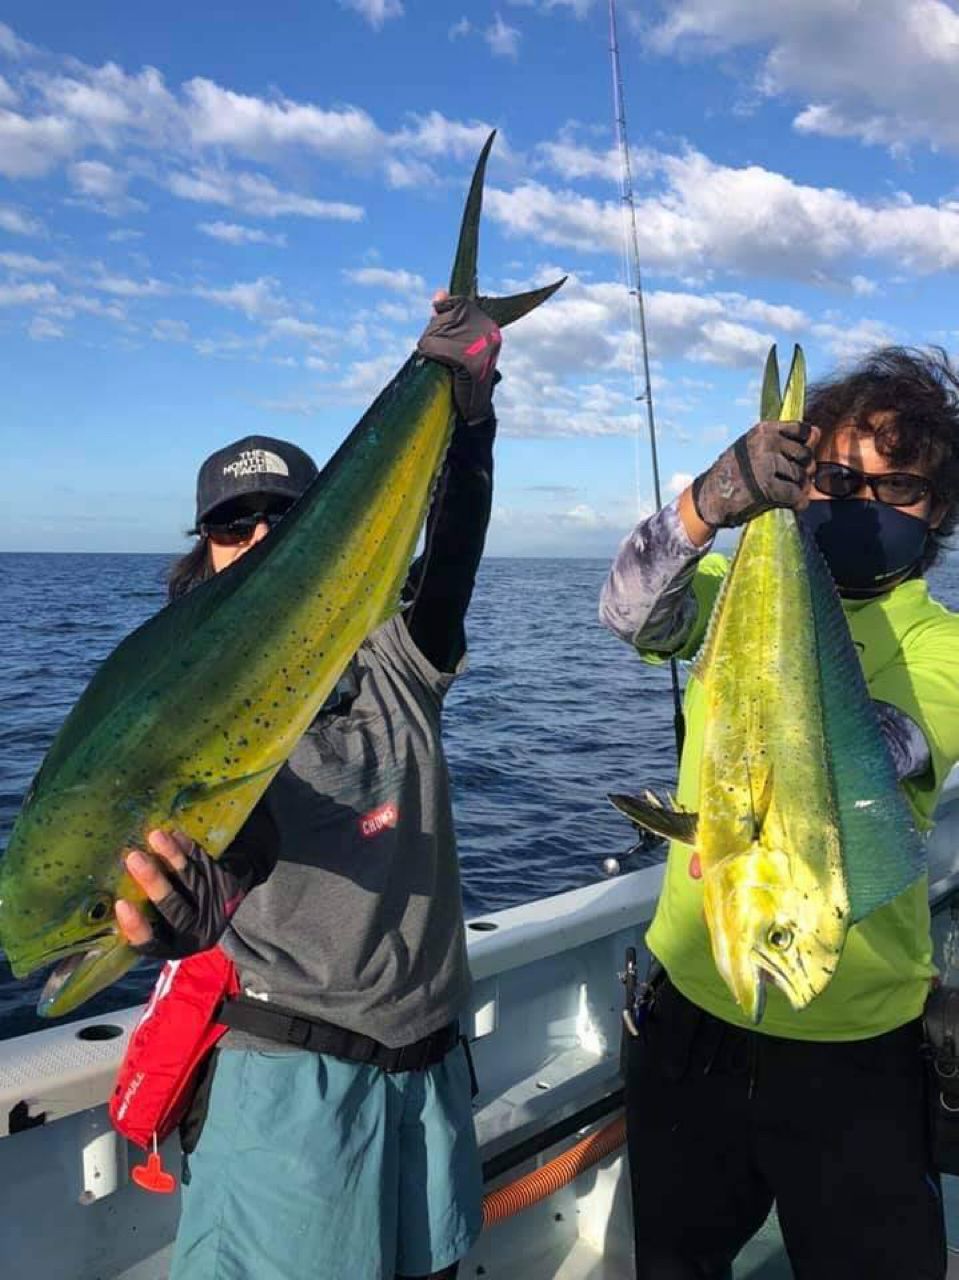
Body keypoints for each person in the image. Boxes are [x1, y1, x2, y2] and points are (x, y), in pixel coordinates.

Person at [113, 291, 502, 1280]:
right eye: (229, 526)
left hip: (428, 1073)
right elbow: (222, 851)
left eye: (282, 521)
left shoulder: (398, 662)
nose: (254, 539)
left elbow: (450, 549)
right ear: (204, 550)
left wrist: (466, 413)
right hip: (288, 1087)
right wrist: (182, 912)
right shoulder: (186, 715)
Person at [599, 346, 959, 1280]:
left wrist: (778, 552)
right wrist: (711, 504)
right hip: (690, 1024)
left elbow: (876, 751)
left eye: (899, 488)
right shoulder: (721, 591)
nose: (862, 505)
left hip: (855, 1046)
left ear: (939, 515)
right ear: (800, 486)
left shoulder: (945, 647)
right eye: (835, 478)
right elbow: (629, 612)